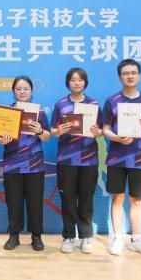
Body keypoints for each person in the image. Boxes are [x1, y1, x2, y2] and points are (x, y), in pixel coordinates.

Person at [101, 59, 141, 256]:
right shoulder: (112, 101)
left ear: (139, 76)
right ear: (120, 77)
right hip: (116, 158)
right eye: (126, 73)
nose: (130, 76)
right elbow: (105, 129)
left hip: (139, 159)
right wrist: (117, 137)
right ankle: (118, 237)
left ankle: (137, 239)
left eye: (133, 73)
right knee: (117, 198)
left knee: (136, 200)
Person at [50, 67, 102, 254]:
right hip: (66, 159)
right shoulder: (61, 105)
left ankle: (86, 236)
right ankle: (68, 236)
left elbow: (101, 130)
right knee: (68, 198)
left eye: (80, 80)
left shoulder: (93, 104)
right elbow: (52, 131)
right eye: (73, 80)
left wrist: (98, 132)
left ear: (85, 82)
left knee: (86, 198)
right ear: (68, 83)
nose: (77, 83)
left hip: (88, 160)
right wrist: (59, 131)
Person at [0, 76, 50, 251]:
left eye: (26, 89)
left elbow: (47, 137)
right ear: (13, 91)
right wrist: (2, 140)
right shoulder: (7, 111)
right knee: (14, 201)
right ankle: (14, 235)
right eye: (18, 89)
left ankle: (36, 236)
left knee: (35, 202)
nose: (22, 92)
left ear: (31, 91)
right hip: (12, 164)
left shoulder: (39, 112)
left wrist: (40, 130)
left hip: (34, 164)